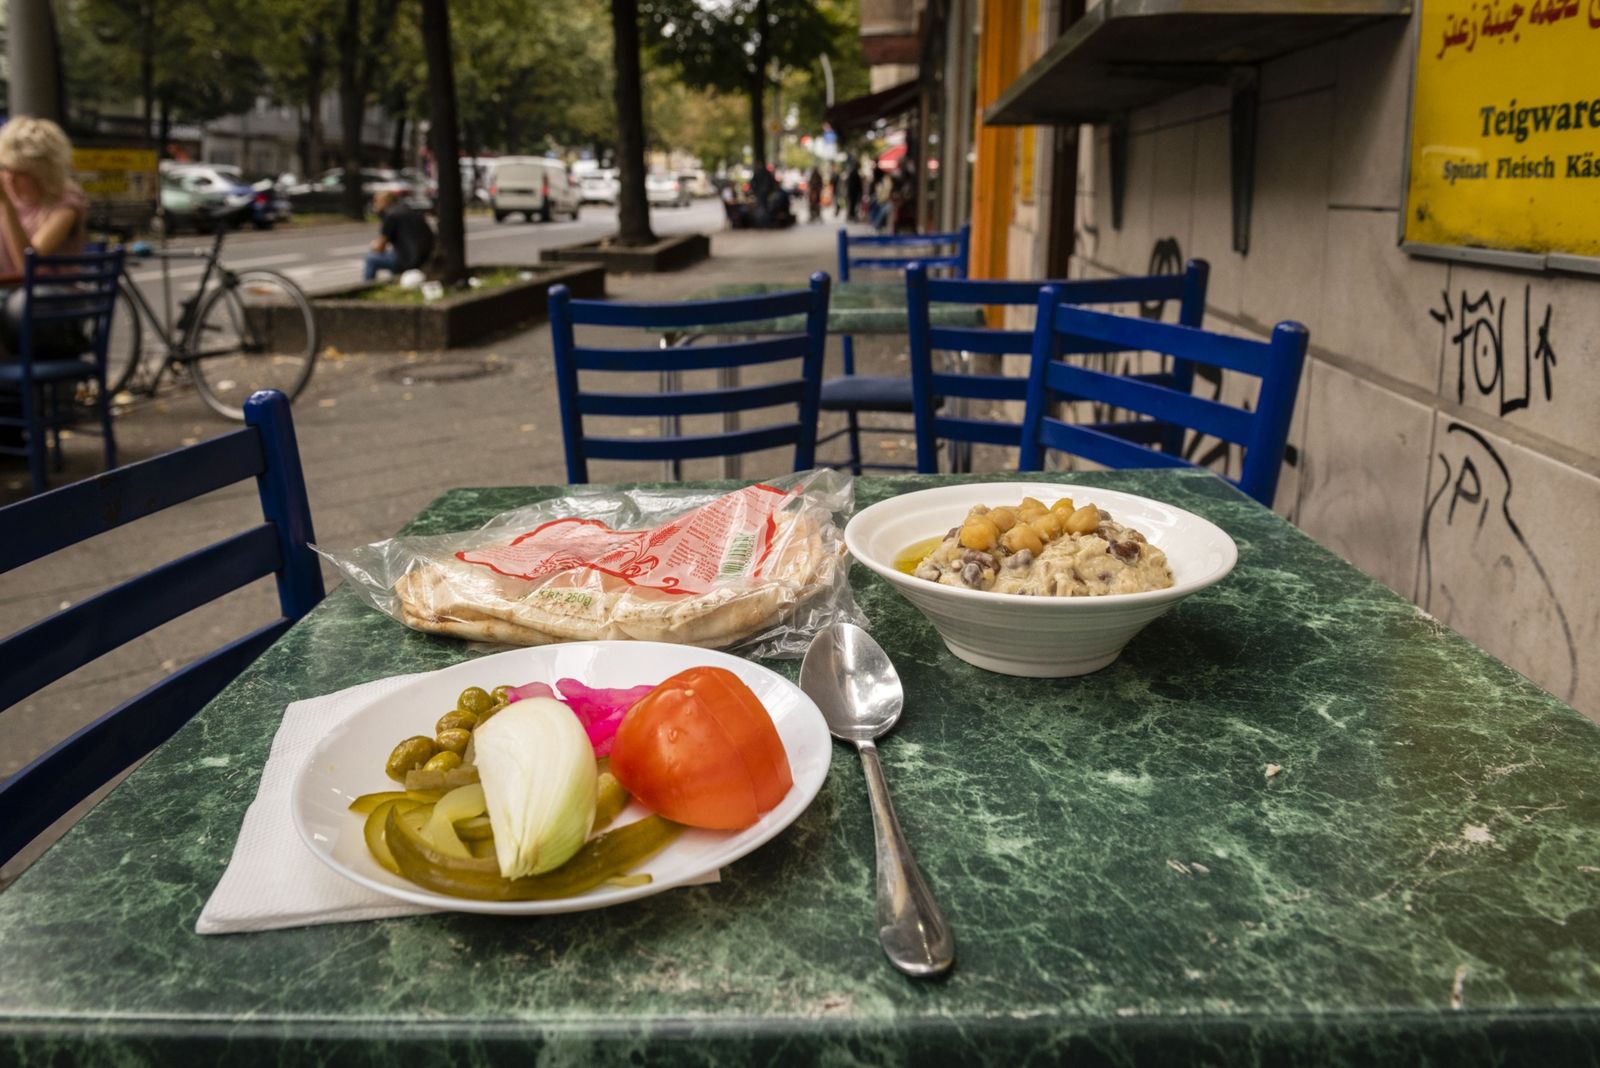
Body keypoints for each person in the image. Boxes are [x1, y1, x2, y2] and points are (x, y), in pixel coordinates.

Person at [0, 117, 88, 281]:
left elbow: (27, 265)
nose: (10, 179)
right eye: (6, 169)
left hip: (50, 295)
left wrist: (6, 205)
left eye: (20, 172)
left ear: (43, 172)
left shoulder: (66, 206)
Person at [363, 189, 435, 282]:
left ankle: (367, 284)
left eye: (376, 201)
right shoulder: (408, 210)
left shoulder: (391, 216)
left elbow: (379, 247)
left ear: (384, 202)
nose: (374, 204)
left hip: (408, 259)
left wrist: (372, 246)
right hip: (425, 256)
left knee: (371, 259)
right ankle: (396, 280)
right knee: (392, 254)